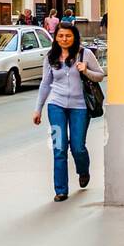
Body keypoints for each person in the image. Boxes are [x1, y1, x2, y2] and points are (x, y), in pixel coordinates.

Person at [33, 24, 104, 202]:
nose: (64, 39)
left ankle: (83, 170)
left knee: (78, 147)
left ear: (75, 37)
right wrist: (38, 109)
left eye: (68, 36)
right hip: (56, 106)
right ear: (56, 37)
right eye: (61, 36)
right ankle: (61, 190)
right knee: (59, 147)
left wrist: (86, 71)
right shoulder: (51, 57)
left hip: (80, 107)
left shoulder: (84, 53)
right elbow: (45, 84)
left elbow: (100, 75)